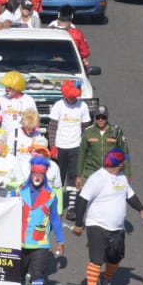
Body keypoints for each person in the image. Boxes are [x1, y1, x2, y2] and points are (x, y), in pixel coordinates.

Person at [71, 149, 143, 285]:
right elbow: (82, 200)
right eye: (123, 161)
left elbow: (130, 195)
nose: (125, 163)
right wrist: (78, 224)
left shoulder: (122, 178)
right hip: (97, 225)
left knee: (115, 258)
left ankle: (105, 280)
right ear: (118, 164)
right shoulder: (97, 178)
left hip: (117, 228)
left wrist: (141, 209)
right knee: (96, 260)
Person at [8, 154, 65, 285]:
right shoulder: (19, 191)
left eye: (40, 174)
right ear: (31, 174)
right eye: (35, 173)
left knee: (37, 275)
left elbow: (55, 219)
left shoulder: (51, 195)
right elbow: (6, 210)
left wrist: (61, 240)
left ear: (44, 175)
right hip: (19, 242)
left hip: (40, 243)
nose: (37, 177)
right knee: (18, 275)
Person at [49, 80, 91, 216]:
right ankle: (57, 204)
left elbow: (86, 129)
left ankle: (72, 207)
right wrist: (53, 146)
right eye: (70, 97)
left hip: (76, 147)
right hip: (60, 147)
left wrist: (85, 148)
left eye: (74, 97)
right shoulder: (58, 105)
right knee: (58, 177)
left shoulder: (83, 106)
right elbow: (52, 128)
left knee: (74, 177)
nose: (72, 99)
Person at [76, 106, 129, 188]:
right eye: (98, 117)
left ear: (107, 117)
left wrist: (127, 173)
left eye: (103, 117)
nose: (100, 120)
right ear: (95, 118)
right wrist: (79, 175)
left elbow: (125, 153)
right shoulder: (88, 132)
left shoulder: (116, 131)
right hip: (92, 172)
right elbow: (82, 154)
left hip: (111, 172)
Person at [0, 70, 38, 143]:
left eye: (9, 88)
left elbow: (34, 121)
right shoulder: (2, 99)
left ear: (17, 87)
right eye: (5, 87)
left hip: (23, 139)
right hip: (6, 138)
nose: (6, 90)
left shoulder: (28, 100)